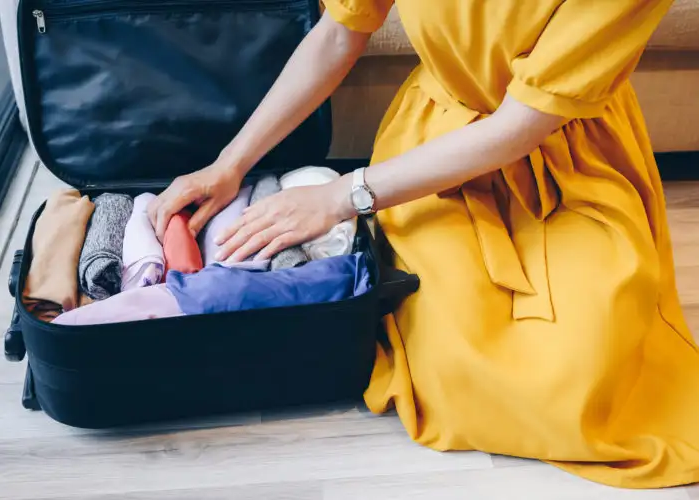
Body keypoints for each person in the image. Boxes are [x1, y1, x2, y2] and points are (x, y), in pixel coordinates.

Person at [148, 0, 699, 489]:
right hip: (434, 147)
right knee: (452, 355)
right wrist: (230, 164)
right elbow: (340, 32)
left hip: (565, 164)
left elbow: (519, 126)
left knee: (583, 383)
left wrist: (344, 195)